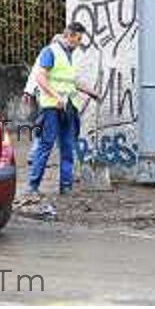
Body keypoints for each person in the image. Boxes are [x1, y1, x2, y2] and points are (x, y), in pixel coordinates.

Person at [27, 22, 98, 212]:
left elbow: (71, 81)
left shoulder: (68, 55)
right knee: (45, 145)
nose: (80, 43)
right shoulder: (50, 51)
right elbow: (40, 77)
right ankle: (32, 187)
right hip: (51, 108)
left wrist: (91, 92)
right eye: (79, 39)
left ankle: (66, 187)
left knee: (68, 147)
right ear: (71, 36)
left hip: (68, 107)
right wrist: (56, 96)